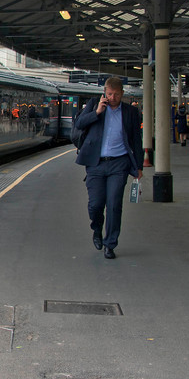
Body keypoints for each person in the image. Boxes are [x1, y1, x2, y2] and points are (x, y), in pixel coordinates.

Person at [73, 76, 144, 259]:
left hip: (119, 164)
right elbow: (79, 124)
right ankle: (97, 230)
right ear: (104, 92)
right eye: (109, 94)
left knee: (114, 204)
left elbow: (136, 140)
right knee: (95, 205)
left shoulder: (130, 112)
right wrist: (96, 112)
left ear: (122, 94)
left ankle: (110, 243)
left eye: (116, 95)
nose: (112, 98)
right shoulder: (94, 104)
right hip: (95, 164)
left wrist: (138, 166)